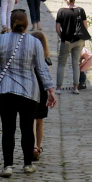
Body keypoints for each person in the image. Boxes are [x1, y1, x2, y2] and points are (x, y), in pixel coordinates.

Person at [0, 10, 55, 178]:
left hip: (6, 91)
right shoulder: (34, 43)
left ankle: (8, 166)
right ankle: (27, 164)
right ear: (26, 24)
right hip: (29, 91)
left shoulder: (0, 40)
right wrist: (50, 89)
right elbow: (41, 69)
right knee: (26, 129)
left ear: (11, 23)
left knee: (8, 129)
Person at [55, 0, 90, 94]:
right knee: (75, 64)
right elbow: (85, 27)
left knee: (61, 64)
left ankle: (58, 88)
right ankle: (75, 87)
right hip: (79, 40)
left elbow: (57, 29)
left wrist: (63, 37)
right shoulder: (80, 10)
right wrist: (83, 40)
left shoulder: (61, 11)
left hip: (66, 41)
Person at [30, 30, 52, 159]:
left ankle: (32, 146)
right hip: (42, 91)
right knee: (40, 120)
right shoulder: (46, 60)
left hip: (30, 90)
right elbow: (47, 77)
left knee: (31, 119)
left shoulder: (28, 58)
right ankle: (37, 147)